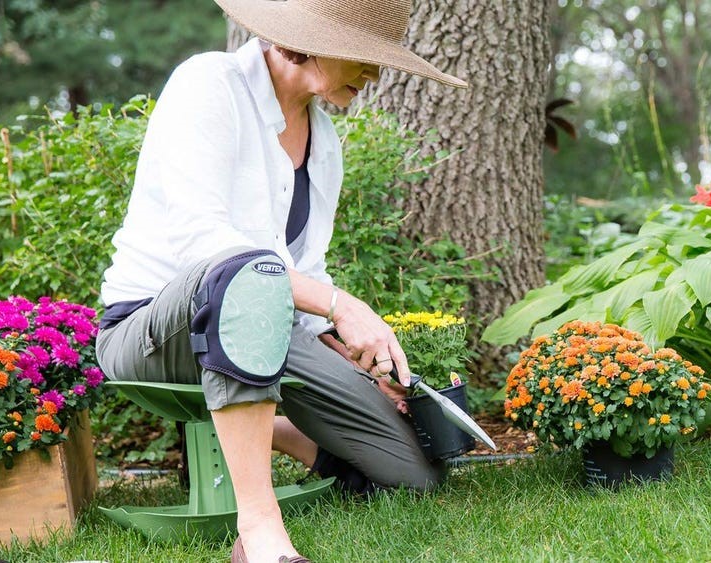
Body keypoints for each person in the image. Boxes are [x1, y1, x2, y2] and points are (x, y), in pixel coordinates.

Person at [95, 0, 467, 561]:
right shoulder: (208, 84)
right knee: (245, 276)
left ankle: (268, 427)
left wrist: (352, 357)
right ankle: (261, 530)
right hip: (151, 331)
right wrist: (342, 304)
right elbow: (208, 247)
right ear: (310, 41)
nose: (375, 73)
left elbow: (305, 273)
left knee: (410, 469)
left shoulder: (325, 147)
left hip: (266, 326)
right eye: (365, 57)